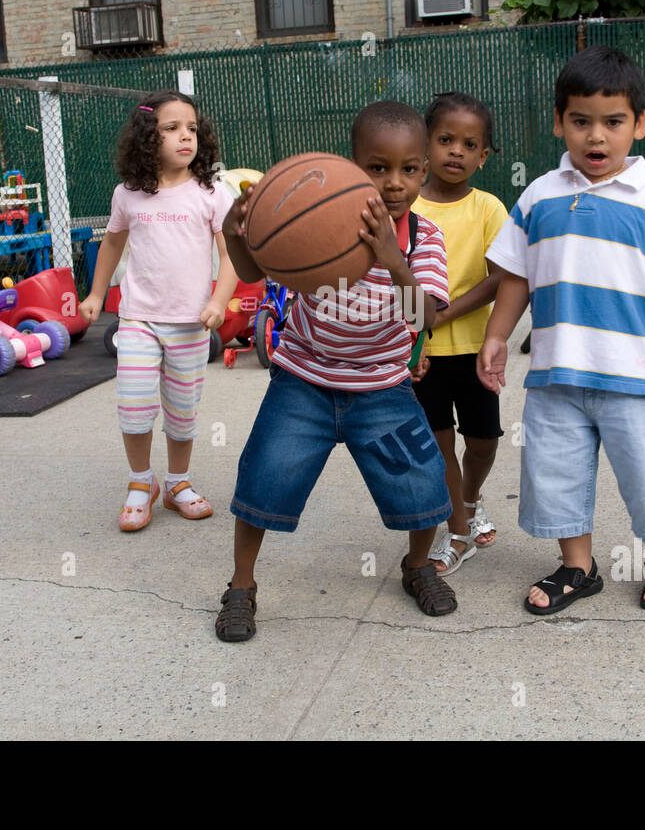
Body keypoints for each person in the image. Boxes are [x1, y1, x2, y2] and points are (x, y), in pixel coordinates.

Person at [478, 45, 645, 613]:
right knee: (555, 475)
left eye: (613, 122)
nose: (595, 137)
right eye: (581, 121)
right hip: (556, 377)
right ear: (559, 122)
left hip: (635, 377)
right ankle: (577, 568)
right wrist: (497, 335)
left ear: (639, 125)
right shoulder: (538, 197)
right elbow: (516, 279)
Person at [214, 101, 454, 643]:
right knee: (262, 481)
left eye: (410, 169)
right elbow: (258, 269)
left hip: (383, 388)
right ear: (352, 166)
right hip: (304, 381)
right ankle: (241, 586)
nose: (395, 183)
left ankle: (418, 567)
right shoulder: (317, 219)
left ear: (423, 170)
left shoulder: (424, 239)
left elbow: (426, 315)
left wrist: (394, 260)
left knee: (424, 487)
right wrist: (237, 236)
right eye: (377, 167)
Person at [78, 90, 238, 531]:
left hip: (190, 323)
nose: (185, 137)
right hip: (137, 319)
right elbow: (112, 243)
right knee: (133, 405)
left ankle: (177, 484)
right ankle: (139, 483)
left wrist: (219, 301)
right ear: (149, 138)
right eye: (171, 129)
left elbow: (231, 256)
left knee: (183, 413)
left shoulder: (212, 192)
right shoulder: (128, 194)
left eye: (191, 128)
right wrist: (95, 295)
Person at [411, 92, 508, 575]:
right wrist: (415, 332)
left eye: (469, 144)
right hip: (421, 353)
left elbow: (499, 278)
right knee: (439, 444)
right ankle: (455, 531)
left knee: (484, 441)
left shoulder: (488, 208)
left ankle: (469, 500)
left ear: (483, 156)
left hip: (473, 349)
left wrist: (443, 314)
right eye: (445, 139)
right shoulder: (404, 205)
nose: (456, 151)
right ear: (425, 144)